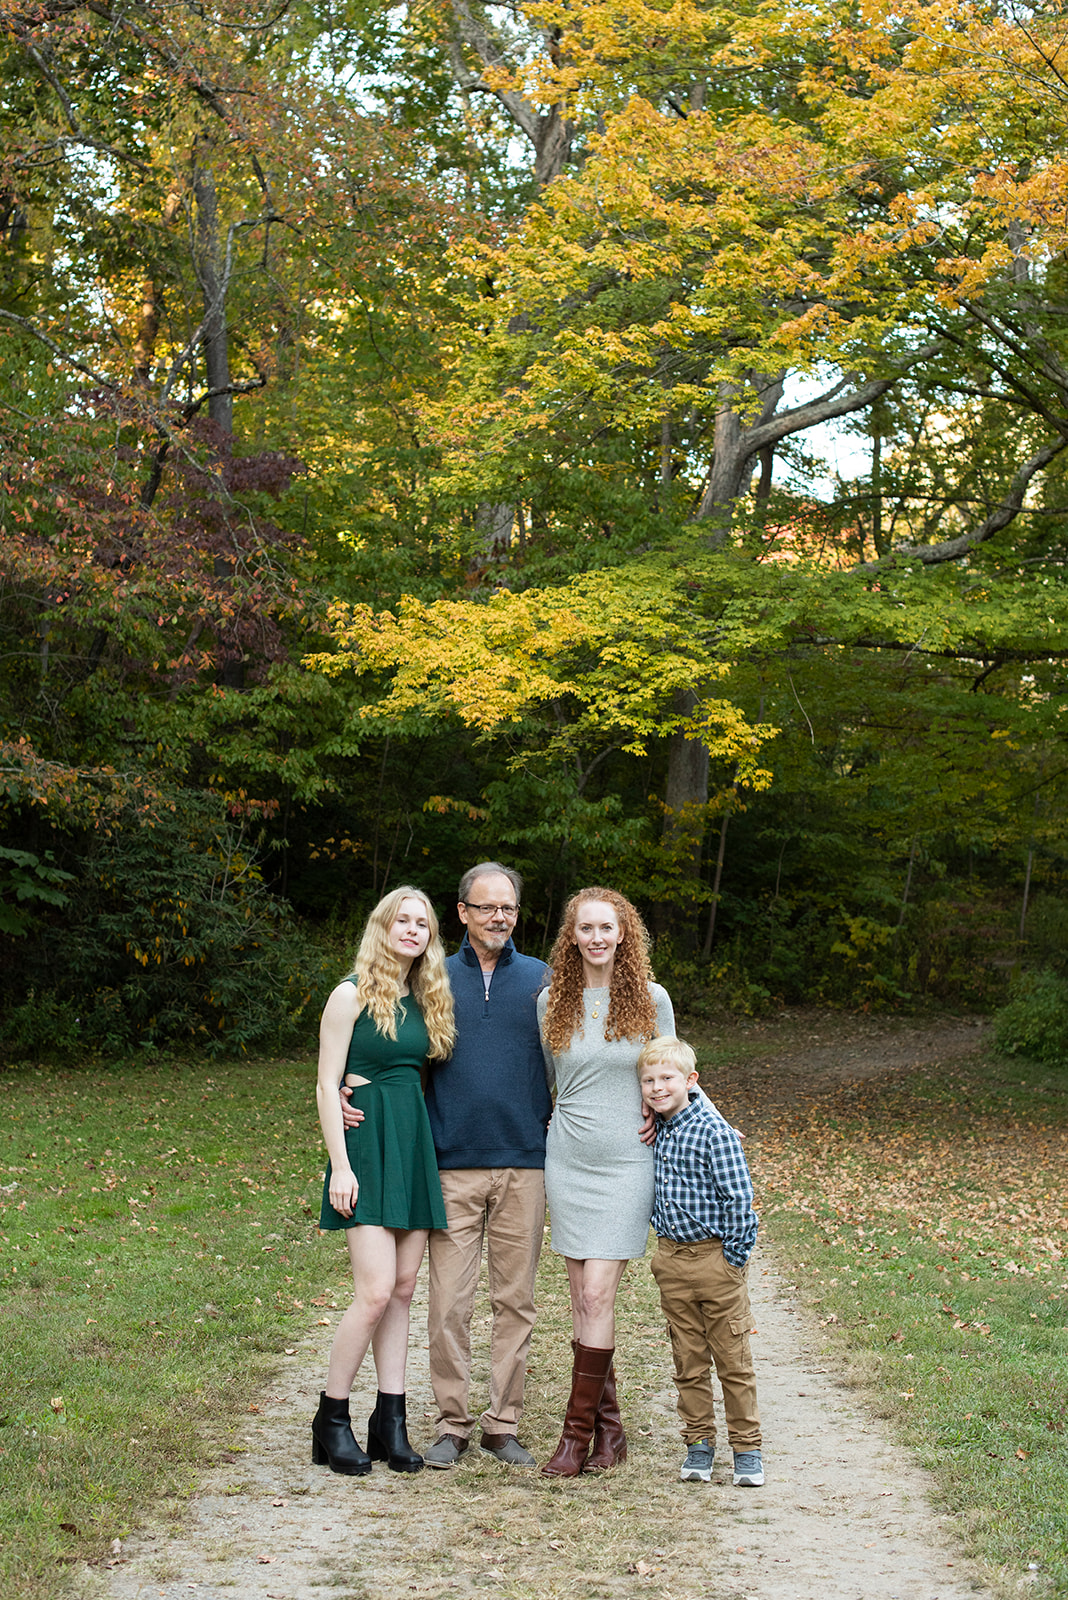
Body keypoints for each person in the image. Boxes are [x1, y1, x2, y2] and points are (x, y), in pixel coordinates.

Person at [340, 861, 551, 1469]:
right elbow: (390, 1041)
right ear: (461, 913)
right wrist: (354, 1084)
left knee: (516, 1300)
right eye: (485, 908)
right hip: (448, 1161)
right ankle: (451, 1423)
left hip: (524, 1163)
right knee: (447, 1301)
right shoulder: (431, 980)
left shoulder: (541, 981)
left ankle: (502, 1423)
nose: (498, 918)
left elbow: (580, 1053)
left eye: (507, 908)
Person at [311, 886, 456, 1477]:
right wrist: (341, 1165)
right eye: (404, 920)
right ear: (382, 926)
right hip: (366, 1149)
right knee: (373, 1292)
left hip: (412, 1145)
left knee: (401, 1290)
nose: (414, 930)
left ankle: (389, 1422)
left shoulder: (427, 998)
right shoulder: (349, 995)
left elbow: (417, 1077)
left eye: (423, 923)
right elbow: (326, 1085)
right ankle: (331, 1418)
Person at [536, 886, 674, 1477]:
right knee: (580, 1301)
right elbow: (551, 1082)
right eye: (585, 928)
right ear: (572, 936)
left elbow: (671, 1070)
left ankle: (575, 1437)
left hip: (626, 1163)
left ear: (624, 934)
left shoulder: (650, 999)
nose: (596, 937)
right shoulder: (550, 1003)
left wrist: (695, 1121)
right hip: (567, 1161)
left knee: (597, 1296)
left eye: (607, 928)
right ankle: (610, 1433)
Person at [638, 1034, 763, 1488]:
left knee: (733, 1359)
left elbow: (740, 1200)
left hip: (715, 1261)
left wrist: (733, 1261)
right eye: (648, 1080)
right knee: (687, 1360)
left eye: (667, 1078)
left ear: (691, 1081)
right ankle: (698, 1445)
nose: (656, 1087)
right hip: (671, 1261)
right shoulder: (656, 1131)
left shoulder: (714, 1131)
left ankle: (747, 1449)